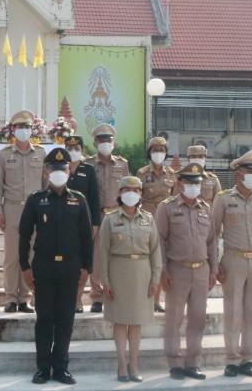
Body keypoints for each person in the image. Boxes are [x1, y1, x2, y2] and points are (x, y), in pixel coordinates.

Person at [19, 147, 93, 384]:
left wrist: (87, 268)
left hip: (70, 268)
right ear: (46, 171)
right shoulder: (36, 200)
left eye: (62, 168)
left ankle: (61, 366)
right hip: (44, 268)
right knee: (44, 319)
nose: (58, 172)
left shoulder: (78, 200)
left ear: (69, 171)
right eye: (53, 168)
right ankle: (43, 367)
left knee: (65, 319)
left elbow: (85, 237)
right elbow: (24, 235)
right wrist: (24, 266)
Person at [209, 149, 252, 378]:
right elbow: (214, 232)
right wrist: (215, 263)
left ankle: (248, 359)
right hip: (233, 259)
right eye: (249, 171)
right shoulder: (224, 198)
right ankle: (232, 360)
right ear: (238, 174)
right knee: (233, 312)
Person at [156, 163, 218, 380]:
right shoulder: (167, 207)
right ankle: (174, 362)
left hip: (201, 270)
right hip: (177, 270)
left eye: (197, 183)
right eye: (189, 182)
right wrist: (162, 271)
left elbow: (211, 243)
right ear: (180, 183)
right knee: (174, 318)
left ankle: (193, 362)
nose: (194, 187)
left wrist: (214, 270)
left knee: (198, 318)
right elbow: (160, 242)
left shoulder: (206, 208)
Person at [96, 175, 161, 381]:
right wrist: (104, 280)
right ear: (119, 193)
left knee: (136, 323)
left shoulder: (148, 219)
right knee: (120, 321)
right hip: (118, 271)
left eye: (135, 190)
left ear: (141, 194)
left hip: (142, 272)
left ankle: (134, 364)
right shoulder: (110, 219)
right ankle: (121, 365)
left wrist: (155, 278)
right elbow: (102, 252)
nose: (131, 194)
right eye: (126, 190)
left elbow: (156, 250)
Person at [0, 110, 46, 313]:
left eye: (27, 127)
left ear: (32, 130)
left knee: (31, 254)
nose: (23, 131)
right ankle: (10, 297)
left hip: (34, 209)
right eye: (19, 127)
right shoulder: (5, 154)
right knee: (12, 256)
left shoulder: (40, 153)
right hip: (12, 208)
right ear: (13, 130)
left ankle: (25, 297)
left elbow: (46, 183)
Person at [89, 122, 129, 314]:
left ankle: (116, 293)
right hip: (96, 215)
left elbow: (128, 190)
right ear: (96, 142)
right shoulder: (88, 164)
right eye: (102, 140)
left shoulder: (122, 164)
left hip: (116, 213)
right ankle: (97, 296)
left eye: (109, 140)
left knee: (117, 256)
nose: (106, 143)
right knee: (97, 257)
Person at [64, 134, 101, 312]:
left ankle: (78, 298)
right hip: (63, 223)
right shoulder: (59, 168)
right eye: (69, 149)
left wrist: (95, 224)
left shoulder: (89, 170)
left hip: (84, 222)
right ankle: (67, 298)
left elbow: (94, 199)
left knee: (84, 263)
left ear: (83, 150)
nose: (73, 152)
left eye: (76, 149)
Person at [138, 136, 175, 312]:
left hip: (167, 223)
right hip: (147, 221)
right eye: (155, 150)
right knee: (146, 261)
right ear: (149, 153)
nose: (158, 153)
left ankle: (157, 300)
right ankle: (144, 298)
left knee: (161, 261)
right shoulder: (142, 173)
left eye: (161, 150)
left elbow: (175, 199)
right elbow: (136, 198)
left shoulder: (172, 175)